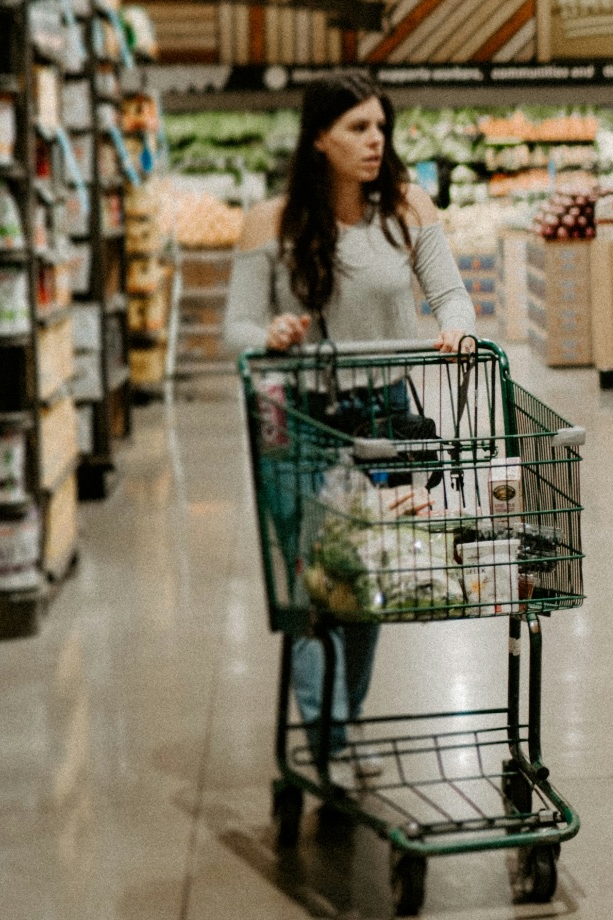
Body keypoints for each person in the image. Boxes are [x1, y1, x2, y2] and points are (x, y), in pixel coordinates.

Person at [224, 71, 476, 776]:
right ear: (318, 140)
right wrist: (267, 332)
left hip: (384, 414)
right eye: (357, 129)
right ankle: (330, 737)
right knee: (312, 583)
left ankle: (342, 722)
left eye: (380, 127)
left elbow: (453, 298)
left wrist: (456, 331)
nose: (375, 142)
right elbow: (234, 330)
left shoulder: (408, 208)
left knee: (369, 574)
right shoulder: (269, 222)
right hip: (299, 416)